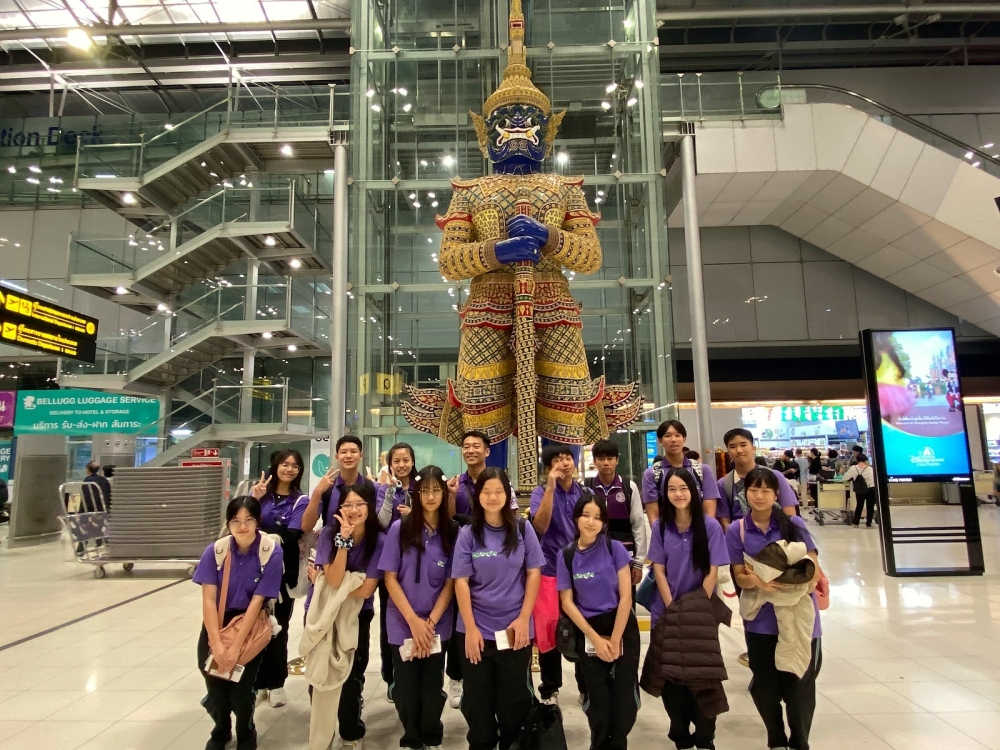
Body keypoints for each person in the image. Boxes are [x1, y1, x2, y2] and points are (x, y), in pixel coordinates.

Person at [727, 468, 822, 750]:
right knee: (765, 687)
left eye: (765, 490)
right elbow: (739, 576)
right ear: (745, 493)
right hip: (761, 621)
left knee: (799, 687)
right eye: (753, 490)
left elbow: (813, 568)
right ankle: (776, 739)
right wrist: (758, 580)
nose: (759, 496)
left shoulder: (793, 524)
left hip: (799, 617)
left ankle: (800, 741)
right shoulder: (737, 530)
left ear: (776, 494)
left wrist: (787, 583)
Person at [452, 468, 544, 750]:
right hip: (476, 631)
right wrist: (470, 629)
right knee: (477, 703)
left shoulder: (522, 529)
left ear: (508, 495)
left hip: (515, 629)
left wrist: (524, 619)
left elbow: (534, 574)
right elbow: (461, 582)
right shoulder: (468, 533)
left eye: (499, 491)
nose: (492, 497)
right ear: (478, 495)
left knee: (514, 702)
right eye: (486, 492)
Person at [192, 496, 283, 750]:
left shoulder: (270, 551)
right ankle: (221, 729)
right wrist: (217, 644)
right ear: (228, 523)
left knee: (242, 690)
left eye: (248, 520)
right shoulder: (216, 551)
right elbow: (208, 600)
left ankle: (246, 730)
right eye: (236, 521)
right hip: (218, 621)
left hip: (250, 624)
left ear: (258, 521)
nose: (242, 526)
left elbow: (257, 601)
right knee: (214, 681)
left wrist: (235, 647)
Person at [648, 468, 729, 750]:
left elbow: (712, 570)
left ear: (693, 491)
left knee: (703, 675)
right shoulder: (660, 527)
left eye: (683, 488)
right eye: (671, 489)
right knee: (671, 678)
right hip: (666, 613)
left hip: (700, 614)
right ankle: (680, 736)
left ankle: (705, 737)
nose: (678, 494)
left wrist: (695, 607)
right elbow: (659, 570)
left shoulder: (709, 526)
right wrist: (672, 607)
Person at [379, 465, 457, 750]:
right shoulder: (400, 529)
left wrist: (430, 624)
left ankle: (432, 735)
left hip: (437, 624)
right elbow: (390, 578)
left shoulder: (452, 532)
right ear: (417, 493)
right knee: (406, 688)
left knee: (432, 687)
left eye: (436, 490)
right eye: (425, 490)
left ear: (444, 493)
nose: (431, 496)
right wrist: (413, 621)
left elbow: (451, 582)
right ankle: (412, 738)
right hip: (403, 622)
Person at [557, 492, 640, 750]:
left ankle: (619, 744)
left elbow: (626, 597)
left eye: (597, 517)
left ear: (604, 521)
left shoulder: (615, 548)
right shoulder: (567, 555)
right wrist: (594, 638)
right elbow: (567, 602)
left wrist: (614, 640)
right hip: (588, 628)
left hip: (621, 625)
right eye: (585, 515)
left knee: (624, 699)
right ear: (576, 518)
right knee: (598, 700)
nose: (591, 522)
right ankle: (600, 743)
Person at [313, 482, 385, 749]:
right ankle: (323, 733)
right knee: (320, 674)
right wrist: (343, 542)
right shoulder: (328, 533)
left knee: (352, 676)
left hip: (357, 615)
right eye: (348, 505)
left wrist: (331, 581)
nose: (354, 510)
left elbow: (366, 590)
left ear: (369, 507)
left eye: (360, 505)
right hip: (324, 613)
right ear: (339, 508)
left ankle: (351, 731)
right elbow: (334, 580)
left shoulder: (379, 540)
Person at [248, 449, 308, 707]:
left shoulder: (300, 500)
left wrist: (266, 536)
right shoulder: (260, 495)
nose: (289, 469)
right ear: (275, 466)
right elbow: (244, 523)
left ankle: (276, 683)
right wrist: (254, 498)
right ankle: (255, 683)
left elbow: (293, 533)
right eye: (285, 464)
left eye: (295, 466)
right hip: (252, 571)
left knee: (278, 627)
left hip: (282, 573)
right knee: (251, 625)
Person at [442, 429, 498, 708]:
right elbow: (449, 520)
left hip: (493, 560)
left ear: (487, 451)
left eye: (476, 446)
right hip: (463, 559)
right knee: (459, 619)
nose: (470, 450)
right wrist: (451, 496)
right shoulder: (456, 483)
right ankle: (456, 677)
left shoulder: (497, 481)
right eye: (466, 446)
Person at [530, 444, 587, 705]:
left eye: (568, 458)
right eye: (558, 460)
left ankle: (585, 686)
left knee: (582, 626)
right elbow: (540, 527)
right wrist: (551, 488)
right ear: (548, 468)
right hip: (549, 572)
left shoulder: (585, 494)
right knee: (548, 631)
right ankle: (550, 689)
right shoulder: (540, 493)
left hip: (580, 573)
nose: (564, 463)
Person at [375, 442, 419, 699]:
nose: (401, 465)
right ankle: (392, 678)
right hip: (391, 566)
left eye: (406, 460)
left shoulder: (422, 487)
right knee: (390, 621)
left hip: (420, 564)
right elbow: (381, 521)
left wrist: (414, 514)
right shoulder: (384, 489)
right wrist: (390, 492)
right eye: (396, 461)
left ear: (413, 461)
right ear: (390, 464)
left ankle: (419, 672)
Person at [584, 439, 647, 587]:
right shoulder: (587, 488)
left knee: (625, 594)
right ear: (594, 461)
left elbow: (638, 524)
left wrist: (638, 562)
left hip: (625, 553)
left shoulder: (628, 487)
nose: (606, 463)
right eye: (601, 459)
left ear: (617, 460)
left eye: (610, 458)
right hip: (594, 553)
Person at [716, 429, 799, 533]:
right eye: (732, 447)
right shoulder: (724, 484)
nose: (739, 450)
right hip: (741, 538)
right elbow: (725, 522)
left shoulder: (775, 476)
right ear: (728, 451)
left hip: (776, 537)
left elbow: (789, 513)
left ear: (753, 448)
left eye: (743, 445)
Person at [641, 420, 721, 524]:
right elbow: (653, 516)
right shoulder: (652, 474)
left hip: (698, 529)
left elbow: (709, 507)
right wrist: (658, 533)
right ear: (660, 441)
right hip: (667, 530)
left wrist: (707, 530)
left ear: (684, 439)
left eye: (677, 435)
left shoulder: (702, 470)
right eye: (667, 436)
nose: (673, 440)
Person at [303, 435, 377, 531]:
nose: (348, 456)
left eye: (353, 451)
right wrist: (317, 492)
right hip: (332, 540)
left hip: (365, 540)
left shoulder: (372, 487)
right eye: (343, 452)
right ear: (337, 457)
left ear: (360, 456)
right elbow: (306, 526)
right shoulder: (327, 488)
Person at [843, 454, 877, 527]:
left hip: (860, 489)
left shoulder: (853, 468)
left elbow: (845, 478)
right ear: (865, 460)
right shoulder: (870, 468)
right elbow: (873, 479)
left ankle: (856, 523)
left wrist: (852, 478)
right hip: (871, 488)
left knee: (859, 505)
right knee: (870, 506)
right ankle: (869, 523)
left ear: (857, 460)